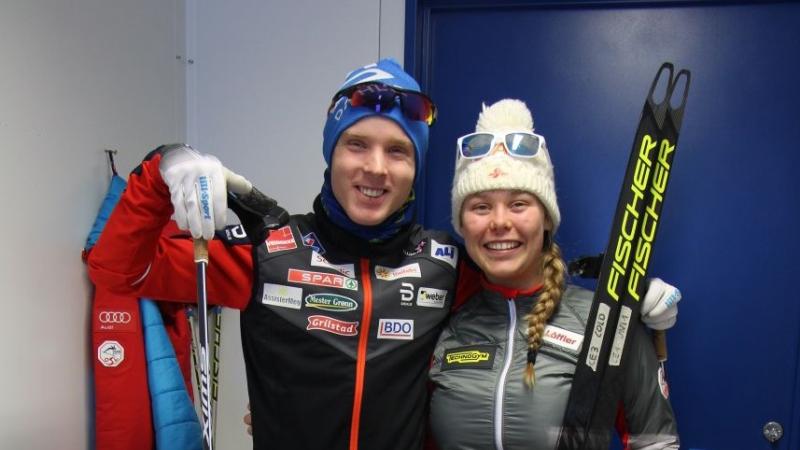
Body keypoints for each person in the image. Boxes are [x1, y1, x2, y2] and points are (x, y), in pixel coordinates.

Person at [88, 59, 679, 450]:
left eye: (398, 151)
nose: (375, 168)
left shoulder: (446, 264)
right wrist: (159, 169)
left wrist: (615, 289)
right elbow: (118, 268)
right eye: (356, 145)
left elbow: (518, 269)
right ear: (331, 152)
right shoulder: (267, 251)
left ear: (416, 170)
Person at [427, 99, 679, 449]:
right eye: (481, 207)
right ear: (462, 225)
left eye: (519, 204)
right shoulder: (440, 318)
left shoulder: (604, 323)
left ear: (546, 218)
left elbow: (657, 443)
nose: (500, 222)